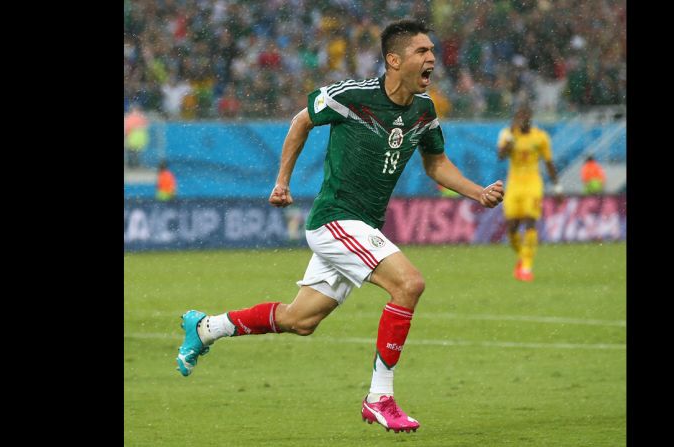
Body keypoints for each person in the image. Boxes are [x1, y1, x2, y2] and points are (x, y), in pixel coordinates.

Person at [175, 19, 504, 433]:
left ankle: (207, 327)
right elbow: (301, 121)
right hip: (335, 219)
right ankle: (379, 398)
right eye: (422, 52)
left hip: (363, 225)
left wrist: (476, 193)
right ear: (394, 59)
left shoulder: (424, 110)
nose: (432, 58)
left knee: (301, 320)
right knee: (409, 284)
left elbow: (435, 163)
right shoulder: (351, 96)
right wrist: (282, 181)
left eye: (432, 51)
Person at [497, 105, 560, 282]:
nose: (523, 119)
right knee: (511, 227)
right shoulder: (507, 134)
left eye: (526, 115)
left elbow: (548, 162)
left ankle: (526, 267)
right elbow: (501, 155)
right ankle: (523, 257)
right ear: (516, 117)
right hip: (514, 184)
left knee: (530, 222)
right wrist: (510, 135)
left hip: (533, 183)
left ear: (531, 117)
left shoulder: (540, 137)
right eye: (520, 115)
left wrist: (557, 187)